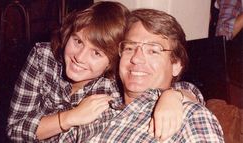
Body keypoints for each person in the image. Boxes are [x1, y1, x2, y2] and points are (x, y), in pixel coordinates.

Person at [6, 2, 204, 142]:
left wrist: (173, 95)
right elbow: (14, 130)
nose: (80, 57)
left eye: (97, 52)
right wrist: (70, 117)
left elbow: (171, 85)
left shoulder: (113, 84)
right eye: (78, 41)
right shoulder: (43, 57)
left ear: (113, 59)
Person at [59, 9, 224, 142]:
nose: (136, 58)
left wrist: (174, 95)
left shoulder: (189, 115)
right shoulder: (96, 110)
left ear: (176, 66)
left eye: (153, 50)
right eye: (130, 48)